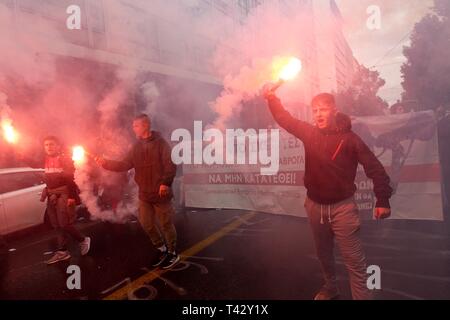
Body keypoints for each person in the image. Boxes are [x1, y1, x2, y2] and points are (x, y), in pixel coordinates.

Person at [264, 89, 393, 300]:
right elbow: (284, 118)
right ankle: (330, 288)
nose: (318, 114)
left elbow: (375, 168)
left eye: (323, 109)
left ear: (334, 111)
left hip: (343, 208)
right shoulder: (309, 132)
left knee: (354, 261)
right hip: (314, 206)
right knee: (324, 255)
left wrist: (383, 199)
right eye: (315, 110)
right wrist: (272, 98)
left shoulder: (350, 139)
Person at [95, 114, 179, 269]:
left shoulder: (161, 144)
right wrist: (105, 163)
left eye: (136, 126)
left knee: (166, 224)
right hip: (144, 194)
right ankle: (162, 249)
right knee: (146, 223)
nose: (134, 129)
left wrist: (165, 183)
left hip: (161, 193)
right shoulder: (136, 147)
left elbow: (170, 165)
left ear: (146, 125)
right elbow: (124, 164)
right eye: (133, 126)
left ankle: (173, 253)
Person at [24, 136, 91, 264]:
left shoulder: (65, 159)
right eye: (46, 145)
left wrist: (72, 198)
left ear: (58, 146)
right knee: (56, 225)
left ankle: (83, 240)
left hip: (64, 194)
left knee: (64, 223)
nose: (49, 147)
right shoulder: (44, 159)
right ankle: (62, 252)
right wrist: (20, 154)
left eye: (52, 144)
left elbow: (71, 179)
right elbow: (32, 162)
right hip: (51, 195)